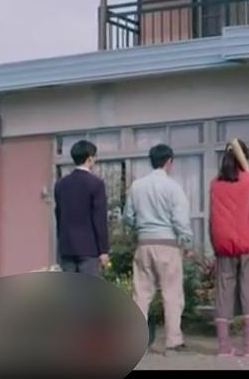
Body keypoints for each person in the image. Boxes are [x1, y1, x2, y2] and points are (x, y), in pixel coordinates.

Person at [123, 144, 194, 356]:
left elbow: (128, 216)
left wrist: (139, 228)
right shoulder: (173, 187)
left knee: (141, 294)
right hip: (168, 244)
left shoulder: (136, 186)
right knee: (172, 294)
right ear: (169, 161)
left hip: (144, 243)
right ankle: (173, 341)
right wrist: (186, 242)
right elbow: (180, 219)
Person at [208, 138, 249, 357]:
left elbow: (212, 217)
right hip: (248, 242)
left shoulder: (214, 184)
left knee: (223, 292)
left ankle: (223, 346)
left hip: (223, 243)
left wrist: (215, 243)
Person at [54, 140, 110, 277]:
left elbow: (58, 215)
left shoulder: (61, 184)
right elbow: (99, 219)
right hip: (89, 248)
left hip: (66, 246)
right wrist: (103, 250)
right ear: (90, 158)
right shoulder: (96, 184)